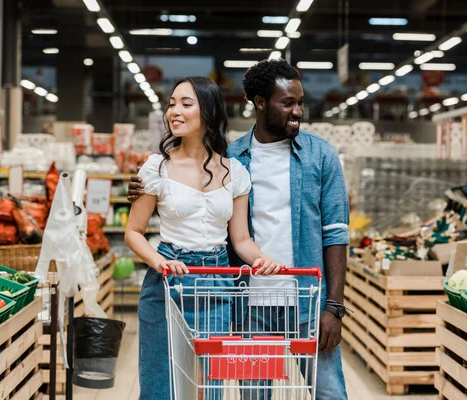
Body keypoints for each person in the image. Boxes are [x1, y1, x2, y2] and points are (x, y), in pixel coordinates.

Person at [129, 60, 350, 399]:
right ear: (260, 103)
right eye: (287, 102)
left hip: (303, 300)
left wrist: (333, 306)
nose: (298, 111)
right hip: (247, 304)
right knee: (245, 393)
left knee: (329, 392)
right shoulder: (236, 157)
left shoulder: (318, 155)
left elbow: (334, 233)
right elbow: (163, 214)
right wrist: (143, 189)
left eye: (300, 102)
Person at [124, 76, 284, 400]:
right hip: (168, 281)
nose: (174, 112)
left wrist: (262, 259)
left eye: (186, 104)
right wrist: (160, 261)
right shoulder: (156, 167)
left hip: (217, 282)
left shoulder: (235, 171)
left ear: (208, 111)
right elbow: (133, 231)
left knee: (208, 385)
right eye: (172, 104)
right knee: (159, 382)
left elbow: (240, 239)